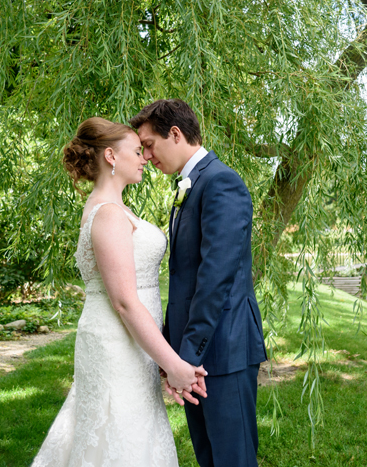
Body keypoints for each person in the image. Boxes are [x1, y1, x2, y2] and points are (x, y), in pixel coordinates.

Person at [31, 117, 207, 467]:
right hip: (116, 342)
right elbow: (125, 302)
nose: (144, 158)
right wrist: (172, 363)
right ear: (111, 156)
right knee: (120, 432)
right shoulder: (109, 214)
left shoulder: (113, 208)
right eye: (136, 150)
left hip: (130, 343)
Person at [130, 100, 268, 467]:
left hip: (223, 350)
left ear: (174, 134)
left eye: (147, 144)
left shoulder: (221, 182)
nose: (145, 155)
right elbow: (184, 278)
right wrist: (171, 353)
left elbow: (214, 280)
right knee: (209, 458)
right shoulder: (192, 184)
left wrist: (185, 357)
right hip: (193, 353)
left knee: (232, 459)